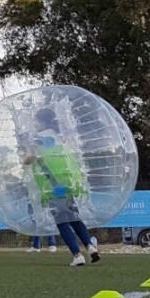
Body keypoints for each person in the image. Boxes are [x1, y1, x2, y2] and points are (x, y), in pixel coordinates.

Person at [21, 107, 99, 267]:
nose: (35, 124)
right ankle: (90, 246)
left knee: (62, 222)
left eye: (37, 121)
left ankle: (77, 255)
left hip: (51, 185)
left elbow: (32, 156)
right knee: (74, 217)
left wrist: (25, 161)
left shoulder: (38, 138)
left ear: (42, 121)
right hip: (66, 183)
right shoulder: (59, 136)